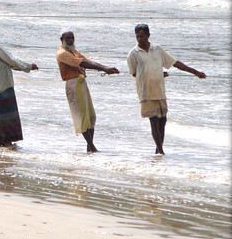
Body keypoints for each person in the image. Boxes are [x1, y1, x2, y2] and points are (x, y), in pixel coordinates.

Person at [127, 24, 206, 155]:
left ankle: (158, 149)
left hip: (159, 90)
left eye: (142, 36)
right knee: (153, 121)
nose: (139, 39)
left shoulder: (157, 49)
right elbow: (135, 73)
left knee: (162, 120)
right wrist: (153, 74)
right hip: (146, 92)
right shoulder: (133, 54)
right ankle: (161, 151)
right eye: (137, 36)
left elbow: (175, 63)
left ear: (148, 35)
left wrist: (195, 72)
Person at [0, 19, 39, 148]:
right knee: (7, 116)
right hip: (2, 83)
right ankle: (8, 144)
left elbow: (3, 62)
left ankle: (2, 143)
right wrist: (29, 66)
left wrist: (20, 67)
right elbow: (11, 60)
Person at [56, 29, 119, 153]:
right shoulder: (62, 54)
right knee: (82, 117)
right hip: (73, 85)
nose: (70, 40)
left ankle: (89, 148)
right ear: (62, 40)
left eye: (72, 38)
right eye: (67, 38)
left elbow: (88, 62)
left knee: (91, 117)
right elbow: (83, 63)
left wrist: (106, 68)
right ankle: (92, 148)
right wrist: (104, 68)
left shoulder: (74, 51)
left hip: (81, 83)